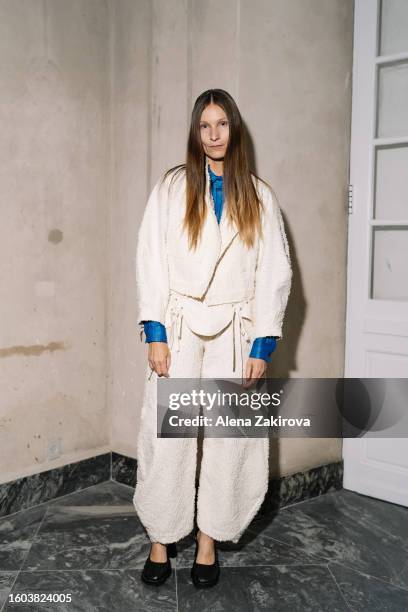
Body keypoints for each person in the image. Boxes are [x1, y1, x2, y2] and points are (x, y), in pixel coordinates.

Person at [133, 88, 292, 588]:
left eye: (221, 124)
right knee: (170, 436)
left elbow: (273, 271)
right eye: (204, 126)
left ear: (234, 128)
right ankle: (161, 538)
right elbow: (150, 260)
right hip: (178, 327)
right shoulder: (172, 187)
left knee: (228, 441)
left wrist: (262, 345)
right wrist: (155, 333)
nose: (214, 134)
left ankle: (209, 541)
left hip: (237, 331)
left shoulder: (259, 195)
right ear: (196, 132)